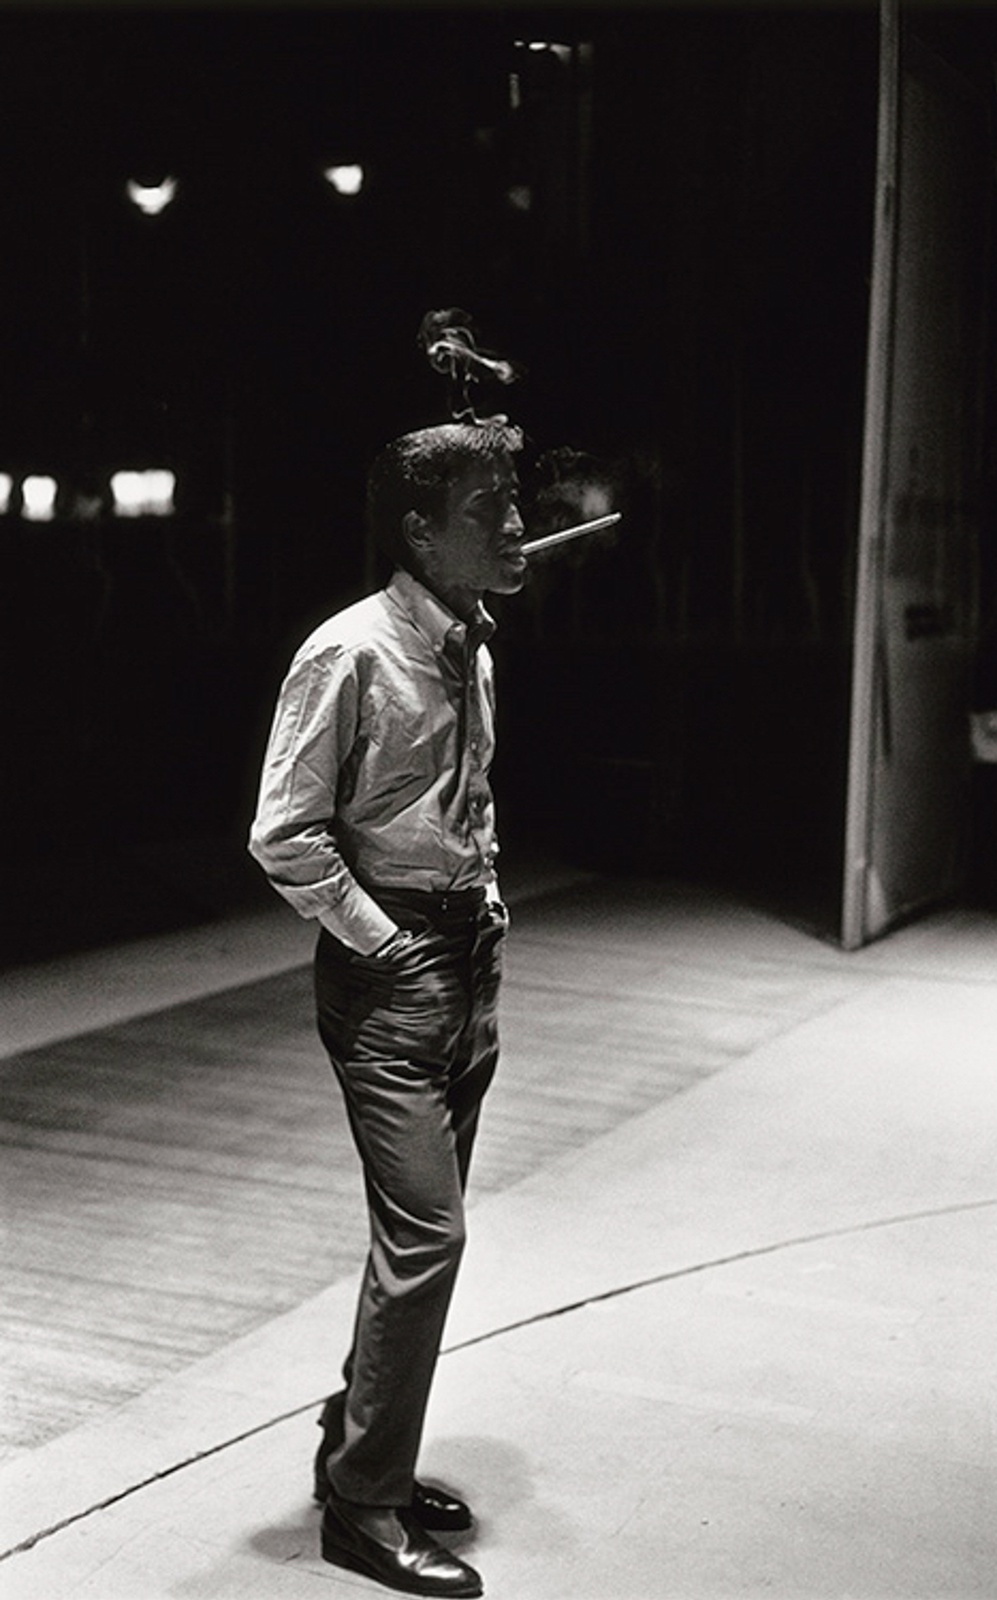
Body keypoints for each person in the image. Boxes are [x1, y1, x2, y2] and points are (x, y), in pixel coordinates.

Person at [248, 420, 527, 1598]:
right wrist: (387, 942)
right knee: (429, 1238)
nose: (515, 525)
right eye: (486, 508)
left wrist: (481, 912)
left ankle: (362, 1445)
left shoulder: (471, 645)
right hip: (393, 977)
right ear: (418, 529)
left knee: (410, 1244)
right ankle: (363, 1504)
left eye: (512, 500)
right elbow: (284, 834)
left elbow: (465, 801)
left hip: (466, 961)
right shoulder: (348, 651)